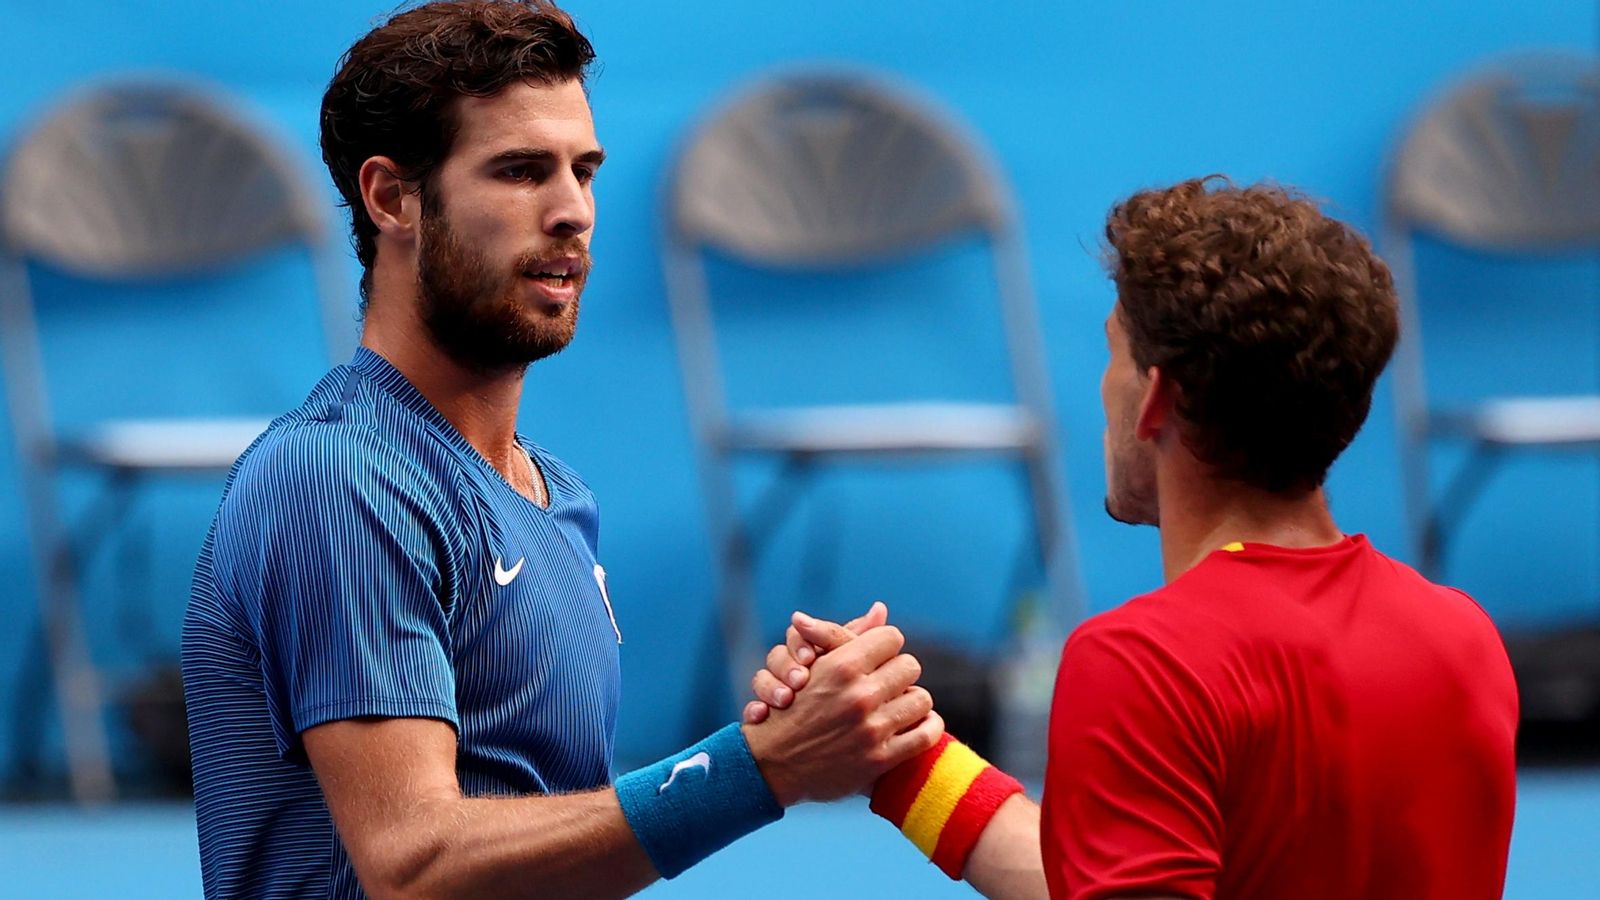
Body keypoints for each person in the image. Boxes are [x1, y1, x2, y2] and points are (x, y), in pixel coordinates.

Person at [180, 3, 942, 898]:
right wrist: (762, 768)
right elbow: (415, 865)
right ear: (391, 197)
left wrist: (795, 737)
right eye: (518, 171)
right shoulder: (339, 481)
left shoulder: (556, 498)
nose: (573, 211)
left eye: (584, 172)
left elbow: (548, 847)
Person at [746, 177, 1520, 899]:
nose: (1102, 386)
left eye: (1114, 353)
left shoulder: (1145, 664)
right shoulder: (1463, 640)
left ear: (1156, 399)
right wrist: (901, 762)